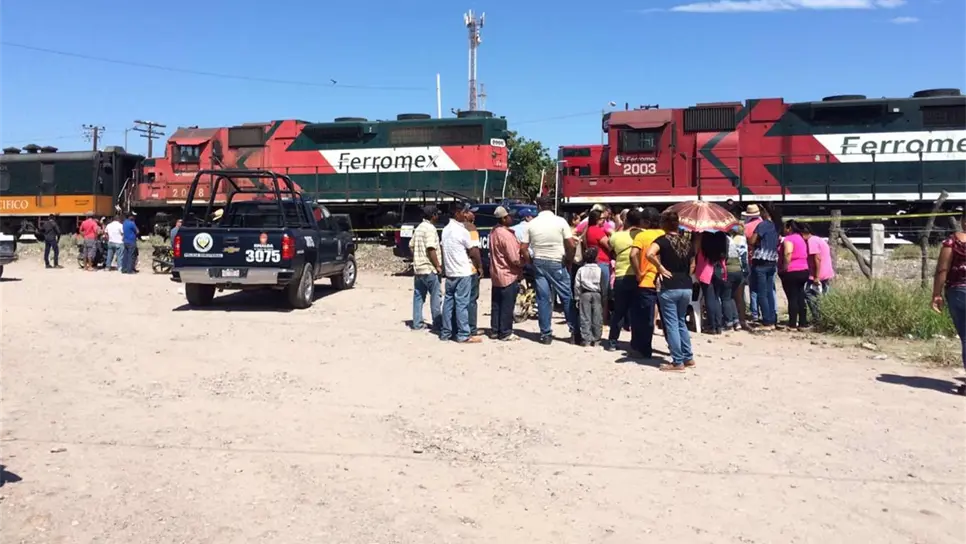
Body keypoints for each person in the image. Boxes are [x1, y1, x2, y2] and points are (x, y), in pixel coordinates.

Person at [521, 196, 577, 345]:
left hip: (539, 261)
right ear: (551, 206)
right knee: (566, 297)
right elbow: (571, 245)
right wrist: (569, 260)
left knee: (543, 299)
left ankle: (545, 334)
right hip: (557, 261)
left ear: (538, 207)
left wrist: (531, 262)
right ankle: (573, 332)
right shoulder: (560, 221)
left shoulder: (531, 224)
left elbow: (523, 249)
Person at [646, 211, 696, 372]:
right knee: (681, 322)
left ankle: (678, 361)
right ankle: (688, 357)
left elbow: (649, 253)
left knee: (672, 324)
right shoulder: (687, 242)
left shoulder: (663, 241)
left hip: (669, 285)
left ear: (664, 224)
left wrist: (660, 267)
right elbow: (693, 264)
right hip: (686, 285)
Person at [931, 215, 966, 395]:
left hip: (959, 292)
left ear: (963, 221)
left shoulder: (952, 242)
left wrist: (936, 294)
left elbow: (942, 269)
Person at [439, 203, 482, 344]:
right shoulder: (463, 230)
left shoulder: (445, 230)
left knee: (448, 303)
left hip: (450, 272)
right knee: (462, 303)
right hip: (463, 272)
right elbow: (474, 251)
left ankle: (446, 332)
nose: (466, 214)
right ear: (457, 213)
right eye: (464, 212)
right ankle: (464, 333)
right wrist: (479, 266)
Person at [627, 207, 665, 358]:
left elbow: (633, 254)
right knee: (668, 318)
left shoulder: (641, 236)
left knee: (644, 318)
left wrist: (638, 272)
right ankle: (676, 349)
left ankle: (643, 348)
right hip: (664, 281)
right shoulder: (664, 234)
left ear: (646, 221)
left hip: (646, 281)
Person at [604, 208, 643, 351]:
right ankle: (635, 343)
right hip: (639, 276)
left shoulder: (616, 236)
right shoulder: (643, 235)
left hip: (621, 275)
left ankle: (613, 341)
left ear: (626, 220)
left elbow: (610, 248)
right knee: (636, 312)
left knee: (618, 311)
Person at [488, 206, 523, 341]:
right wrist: (523, 262)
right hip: (508, 274)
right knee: (507, 305)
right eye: (509, 216)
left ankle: (495, 330)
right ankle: (505, 332)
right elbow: (514, 257)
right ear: (503, 218)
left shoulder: (493, 232)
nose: (511, 218)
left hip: (496, 274)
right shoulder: (506, 235)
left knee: (497, 304)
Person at [409, 205, 443, 332]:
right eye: (437, 214)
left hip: (418, 269)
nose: (438, 216)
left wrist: (418, 258)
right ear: (433, 215)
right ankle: (438, 324)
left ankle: (417, 323)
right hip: (429, 269)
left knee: (418, 296)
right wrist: (438, 266)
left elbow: (411, 245)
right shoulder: (430, 229)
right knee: (435, 297)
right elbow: (431, 248)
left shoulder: (418, 228)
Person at [746, 208, 779, 330]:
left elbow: (752, 240)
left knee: (761, 292)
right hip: (772, 260)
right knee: (770, 291)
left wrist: (752, 239)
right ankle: (772, 317)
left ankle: (767, 320)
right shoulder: (776, 225)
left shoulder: (762, 225)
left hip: (761, 260)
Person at [695, 231, 730, 334]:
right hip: (719, 269)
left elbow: (697, 252)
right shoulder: (723, 237)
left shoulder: (704, 238)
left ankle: (712, 326)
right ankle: (718, 326)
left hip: (706, 270)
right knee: (716, 298)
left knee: (709, 298)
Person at [779, 220, 810, 330]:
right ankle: (803, 322)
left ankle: (792, 323)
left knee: (792, 297)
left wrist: (785, 267)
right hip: (804, 269)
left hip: (792, 270)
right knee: (800, 296)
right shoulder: (801, 238)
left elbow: (788, 253)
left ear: (789, 228)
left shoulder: (789, 239)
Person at [584, 209, 613, 320]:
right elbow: (609, 245)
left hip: (593, 262)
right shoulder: (597, 231)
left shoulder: (588, 230)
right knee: (603, 293)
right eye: (602, 219)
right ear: (597, 219)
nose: (604, 221)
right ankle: (603, 317)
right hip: (602, 262)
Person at [802, 224, 834, 322]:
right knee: (823, 295)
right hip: (826, 272)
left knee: (808, 293)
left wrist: (816, 276)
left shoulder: (812, 241)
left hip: (818, 274)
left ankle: (817, 318)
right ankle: (824, 318)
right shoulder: (818, 239)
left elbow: (817, 258)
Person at [574, 247, 604, 347]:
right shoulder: (599, 270)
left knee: (585, 317)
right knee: (597, 316)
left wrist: (577, 297)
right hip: (596, 293)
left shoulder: (581, 270)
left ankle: (586, 339)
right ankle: (597, 339)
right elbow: (603, 284)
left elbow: (577, 285)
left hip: (585, 294)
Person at [742, 204, 765, 321]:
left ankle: (755, 313)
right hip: (767, 258)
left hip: (752, 259)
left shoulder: (746, 227)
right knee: (767, 288)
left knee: (753, 288)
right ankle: (770, 311)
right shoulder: (765, 224)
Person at [725, 224, 750, 330]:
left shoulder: (732, 240)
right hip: (742, 269)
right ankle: (741, 320)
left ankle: (734, 320)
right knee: (740, 297)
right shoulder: (743, 239)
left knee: (731, 296)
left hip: (734, 268)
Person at [462, 210, 483, 337]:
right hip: (470, 269)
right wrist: (480, 266)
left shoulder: (451, 228)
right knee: (471, 299)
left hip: (456, 269)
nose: (472, 213)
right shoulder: (471, 228)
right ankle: (471, 328)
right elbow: (474, 251)